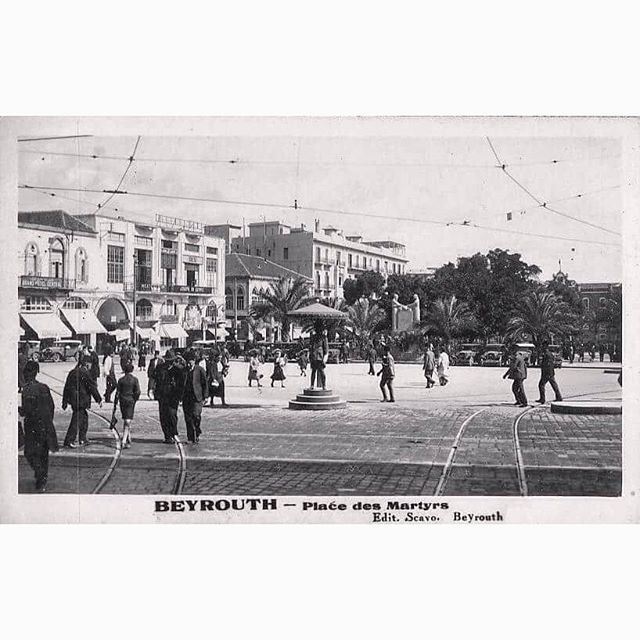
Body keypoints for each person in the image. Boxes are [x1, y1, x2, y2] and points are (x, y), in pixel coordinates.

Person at [20, 360, 58, 492]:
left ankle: (40, 474)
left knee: (29, 453)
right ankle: (42, 478)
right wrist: (48, 421)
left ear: (27, 373)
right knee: (43, 453)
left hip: (32, 426)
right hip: (46, 425)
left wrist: (19, 410)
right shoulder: (44, 387)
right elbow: (52, 406)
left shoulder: (26, 390)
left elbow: (27, 410)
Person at [62, 355, 102, 447]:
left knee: (84, 418)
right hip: (82, 401)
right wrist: (98, 399)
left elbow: (66, 387)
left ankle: (82, 439)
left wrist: (64, 401)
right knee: (77, 420)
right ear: (87, 364)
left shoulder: (72, 372)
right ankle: (69, 440)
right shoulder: (85, 373)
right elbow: (92, 387)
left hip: (73, 400)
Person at [154, 350, 186, 443]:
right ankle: (167, 435)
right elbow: (154, 378)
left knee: (172, 415)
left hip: (173, 395)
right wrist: (152, 389)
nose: (169, 362)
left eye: (171, 360)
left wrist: (180, 395)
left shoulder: (178, 369)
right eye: (168, 360)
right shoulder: (160, 368)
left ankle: (173, 432)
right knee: (163, 416)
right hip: (162, 395)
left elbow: (182, 383)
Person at [182, 350, 208, 444]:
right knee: (188, 418)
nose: (189, 363)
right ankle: (191, 437)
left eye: (191, 361)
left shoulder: (200, 369)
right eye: (188, 361)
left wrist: (205, 396)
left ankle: (197, 430)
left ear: (194, 360)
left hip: (197, 397)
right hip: (186, 397)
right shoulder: (184, 370)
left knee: (196, 416)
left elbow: (205, 383)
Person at [115, 362, 141, 448]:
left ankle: (127, 437)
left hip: (122, 401)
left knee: (126, 419)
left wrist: (115, 403)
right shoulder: (135, 380)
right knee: (128, 420)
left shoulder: (121, 380)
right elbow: (137, 392)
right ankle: (124, 440)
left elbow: (117, 393)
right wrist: (135, 399)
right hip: (130, 401)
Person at [309, 324, 329, 390]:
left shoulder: (324, 338)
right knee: (313, 371)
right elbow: (310, 347)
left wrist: (325, 358)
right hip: (314, 356)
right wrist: (310, 356)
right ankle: (312, 385)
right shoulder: (313, 337)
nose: (318, 330)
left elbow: (326, 349)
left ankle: (324, 385)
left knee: (322, 371)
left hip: (320, 357)